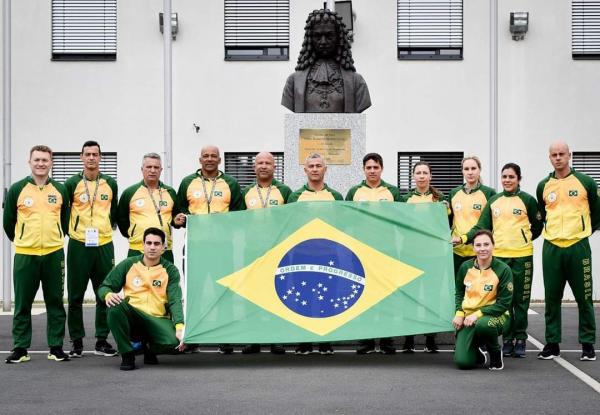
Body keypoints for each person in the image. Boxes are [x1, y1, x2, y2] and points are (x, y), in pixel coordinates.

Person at [453, 163, 542, 358]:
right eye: (504, 177)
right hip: (499, 257)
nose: (507, 180)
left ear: (518, 178)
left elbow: (537, 227)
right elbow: (481, 227)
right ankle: (507, 340)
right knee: (503, 301)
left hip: (522, 256)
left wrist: (522, 239)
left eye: (511, 177)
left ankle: (520, 339)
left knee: (521, 300)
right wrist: (463, 239)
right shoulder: (494, 200)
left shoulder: (527, 200)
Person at [3, 145, 70, 363]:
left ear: (51, 163)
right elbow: (8, 222)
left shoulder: (60, 190)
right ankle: (20, 348)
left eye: (45, 160)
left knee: (55, 302)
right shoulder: (17, 189)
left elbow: (65, 221)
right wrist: (24, 241)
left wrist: (54, 238)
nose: (41, 164)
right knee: (23, 302)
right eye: (37, 160)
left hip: (54, 253)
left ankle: (56, 347)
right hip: (25, 254)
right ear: (29, 162)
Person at [175, 145, 243, 355]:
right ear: (200, 159)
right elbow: (178, 212)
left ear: (220, 160)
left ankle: (225, 338)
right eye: (206, 156)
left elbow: (240, 215)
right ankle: (194, 336)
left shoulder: (230, 183)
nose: (210, 159)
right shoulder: (187, 182)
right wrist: (178, 220)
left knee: (224, 291)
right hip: (195, 245)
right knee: (195, 291)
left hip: (223, 246)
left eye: (214, 156)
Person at [536, 141, 599, 361]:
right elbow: (542, 215)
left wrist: (582, 233)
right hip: (552, 246)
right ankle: (552, 343)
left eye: (562, 154)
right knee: (552, 297)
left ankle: (588, 345)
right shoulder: (543, 185)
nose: (558, 158)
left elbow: (596, 213)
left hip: (578, 246)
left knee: (584, 297)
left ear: (569, 155)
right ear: (549, 157)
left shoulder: (586, 182)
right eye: (554, 154)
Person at [98, 227, 185, 371]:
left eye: (156, 244)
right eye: (149, 243)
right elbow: (104, 286)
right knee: (115, 307)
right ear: (143, 245)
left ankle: (149, 347)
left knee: (176, 344)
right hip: (133, 316)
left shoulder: (170, 270)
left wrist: (180, 327)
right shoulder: (129, 264)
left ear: (164, 247)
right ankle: (127, 354)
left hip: (157, 319)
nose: (152, 247)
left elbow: (175, 300)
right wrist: (107, 294)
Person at [65, 140, 118, 358]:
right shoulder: (71, 183)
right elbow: (63, 211)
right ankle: (77, 341)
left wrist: (106, 228)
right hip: (79, 243)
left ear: (100, 157)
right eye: (87, 154)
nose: (91, 158)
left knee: (104, 293)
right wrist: (73, 231)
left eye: (95, 154)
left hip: (104, 243)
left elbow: (113, 213)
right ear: (81, 157)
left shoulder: (110, 183)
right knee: (75, 295)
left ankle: (101, 340)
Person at [346, 153, 401, 355]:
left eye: (375, 167)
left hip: (387, 252)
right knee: (363, 296)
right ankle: (366, 340)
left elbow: (405, 219)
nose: (372, 171)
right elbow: (345, 220)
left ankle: (387, 340)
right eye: (368, 167)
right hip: (360, 252)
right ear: (363, 169)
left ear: (381, 169)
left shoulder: (392, 191)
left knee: (387, 296)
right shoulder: (354, 192)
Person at [289, 153, 343, 354]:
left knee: (327, 298)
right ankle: (304, 341)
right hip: (302, 254)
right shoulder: (295, 196)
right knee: (302, 297)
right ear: (305, 170)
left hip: (329, 254)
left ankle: (325, 341)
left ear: (325, 169)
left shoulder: (336, 196)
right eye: (310, 166)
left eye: (318, 165)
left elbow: (342, 224)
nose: (314, 169)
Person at [240, 151, 291, 355]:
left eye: (267, 163)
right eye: (259, 163)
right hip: (251, 250)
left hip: (278, 251)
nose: (263, 166)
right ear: (254, 167)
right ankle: (253, 338)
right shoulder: (245, 192)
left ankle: (276, 338)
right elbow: (234, 220)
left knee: (277, 293)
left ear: (274, 167)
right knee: (252, 295)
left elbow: (291, 220)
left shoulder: (285, 191)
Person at [400, 161, 450, 354]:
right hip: (411, 255)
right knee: (410, 297)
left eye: (425, 173)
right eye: (418, 173)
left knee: (432, 298)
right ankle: (409, 339)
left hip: (435, 256)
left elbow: (448, 223)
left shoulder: (440, 198)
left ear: (430, 176)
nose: (421, 176)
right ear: (413, 176)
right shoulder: (405, 199)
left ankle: (431, 338)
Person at [281, 8, 371, 113]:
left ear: (339, 37)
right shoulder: (293, 82)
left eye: (329, 36)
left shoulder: (357, 82)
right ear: (310, 38)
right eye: (318, 36)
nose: (323, 42)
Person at [453, 230, 513, 370]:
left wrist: (478, 314)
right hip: (469, 318)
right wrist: (459, 313)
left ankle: (496, 355)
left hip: (496, 316)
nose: (482, 249)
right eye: (478, 245)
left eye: (486, 244)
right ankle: (476, 351)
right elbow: (459, 293)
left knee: (484, 325)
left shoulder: (503, 269)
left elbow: (503, 304)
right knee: (463, 363)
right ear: (473, 248)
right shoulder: (465, 267)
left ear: (493, 245)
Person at [117, 153, 182, 263]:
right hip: (137, 249)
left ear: (161, 170)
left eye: (156, 167)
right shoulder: (130, 192)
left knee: (165, 280)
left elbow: (176, 217)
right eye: (149, 167)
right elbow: (121, 219)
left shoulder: (170, 192)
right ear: (142, 169)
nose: (152, 170)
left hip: (164, 249)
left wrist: (176, 221)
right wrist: (132, 233)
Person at [449, 156, 496, 275]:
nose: (470, 172)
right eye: (466, 169)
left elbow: (491, 223)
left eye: (473, 168)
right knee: (458, 289)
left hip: (479, 251)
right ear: (462, 171)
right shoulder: (454, 193)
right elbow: (448, 220)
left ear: (479, 170)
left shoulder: (489, 193)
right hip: (457, 251)